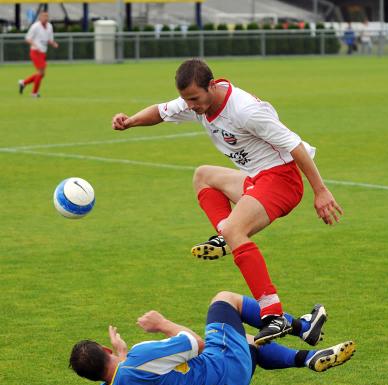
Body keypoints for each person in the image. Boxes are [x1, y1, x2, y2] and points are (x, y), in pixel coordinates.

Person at [111, 59, 343, 345]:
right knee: (203, 176)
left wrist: (320, 191)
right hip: (256, 179)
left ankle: (274, 314)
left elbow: (293, 144)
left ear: (211, 86)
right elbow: (160, 111)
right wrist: (131, 121)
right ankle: (225, 235)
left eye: (194, 99)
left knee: (236, 231)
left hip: (282, 180)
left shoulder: (245, 110)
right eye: (186, 99)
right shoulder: (196, 100)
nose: (190, 105)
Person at [69, 291, 356, 385]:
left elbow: (127, 377)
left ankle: (307, 357)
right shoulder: (140, 358)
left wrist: (122, 353)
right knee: (223, 301)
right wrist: (162, 324)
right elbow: (196, 343)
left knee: (247, 341)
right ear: (105, 350)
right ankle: (303, 327)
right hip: (220, 373)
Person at [18, 11, 58, 98]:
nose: (45, 18)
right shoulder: (35, 26)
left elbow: (49, 39)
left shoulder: (49, 26)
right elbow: (27, 38)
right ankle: (34, 93)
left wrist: (53, 43)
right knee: (41, 72)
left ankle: (23, 83)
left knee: (41, 74)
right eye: (44, 16)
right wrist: (35, 44)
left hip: (43, 53)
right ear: (40, 18)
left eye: (47, 16)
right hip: (35, 52)